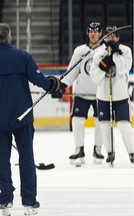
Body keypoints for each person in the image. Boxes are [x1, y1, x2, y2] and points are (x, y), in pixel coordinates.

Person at [0, 23, 62, 216]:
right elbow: (39, 80)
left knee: (1, 160)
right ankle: (29, 201)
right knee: (26, 158)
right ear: (9, 37)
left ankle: (6, 199)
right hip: (22, 117)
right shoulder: (23, 56)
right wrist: (53, 83)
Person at [52, 22, 104, 165]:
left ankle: (98, 149)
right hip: (82, 93)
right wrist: (61, 86)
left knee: (100, 122)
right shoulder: (80, 51)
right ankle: (79, 149)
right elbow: (72, 72)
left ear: (100, 33)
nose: (93, 33)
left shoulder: (105, 50)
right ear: (88, 33)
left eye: (96, 31)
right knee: (77, 120)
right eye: (91, 31)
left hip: (101, 94)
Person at [90, 25, 134, 164]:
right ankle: (110, 152)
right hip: (103, 96)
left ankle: (132, 152)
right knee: (104, 126)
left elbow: (123, 69)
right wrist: (105, 64)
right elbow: (95, 78)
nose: (111, 38)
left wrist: (115, 55)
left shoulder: (125, 50)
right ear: (104, 37)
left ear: (118, 37)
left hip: (120, 96)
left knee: (124, 125)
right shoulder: (98, 53)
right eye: (108, 35)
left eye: (114, 35)